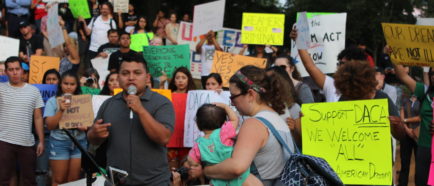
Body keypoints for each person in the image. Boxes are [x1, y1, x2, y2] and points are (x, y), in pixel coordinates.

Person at [87, 54, 175, 185]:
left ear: (147, 78)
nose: (131, 78)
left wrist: (141, 110)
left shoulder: (162, 103)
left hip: (154, 182)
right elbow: (92, 139)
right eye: (125, 73)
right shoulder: (108, 104)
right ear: (118, 78)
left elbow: (163, 138)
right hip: (116, 182)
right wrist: (94, 134)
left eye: (137, 73)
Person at [204, 66, 295, 185]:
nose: (231, 102)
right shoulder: (276, 118)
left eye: (233, 96)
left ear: (251, 94)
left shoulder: (254, 123)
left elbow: (237, 167)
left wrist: (206, 170)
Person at [188, 103, 262, 186]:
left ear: (198, 124)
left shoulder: (198, 144)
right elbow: (235, 119)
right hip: (240, 179)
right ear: (224, 122)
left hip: (217, 181)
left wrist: (196, 165)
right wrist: (225, 107)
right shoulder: (224, 132)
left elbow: (191, 160)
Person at [0, 56, 45, 186]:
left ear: (22, 70)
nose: (14, 72)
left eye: (17, 69)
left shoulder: (34, 91)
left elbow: (37, 117)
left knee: (29, 180)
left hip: (27, 142)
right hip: (4, 141)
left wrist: (41, 141)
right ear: (6, 71)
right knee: (3, 179)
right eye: (11, 69)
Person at [290, 28, 367, 102]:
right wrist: (299, 41)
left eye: (342, 63)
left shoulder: (369, 92)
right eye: (339, 63)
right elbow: (310, 67)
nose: (339, 67)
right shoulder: (332, 86)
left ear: (357, 67)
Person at [44, 70, 86, 186]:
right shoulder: (52, 101)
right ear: (60, 84)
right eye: (66, 83)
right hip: (59, 142)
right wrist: (61, 110)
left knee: (74, 181)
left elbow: (88, 124)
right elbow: (50, 125)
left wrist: (84, 127)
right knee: (58, 180)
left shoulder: (83, 101)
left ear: (77, 85)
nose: (68, 87)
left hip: (79, 142)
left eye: (72, 84)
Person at [394, 63, 433, 186]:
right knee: (422, 181)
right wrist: (394, 56)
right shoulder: (425, 92)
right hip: (424, 147)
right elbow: (402, 75)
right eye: (432, 73)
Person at [79, 2, 117, 67]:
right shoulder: (94, 19)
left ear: (109, 10)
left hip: (105, 50)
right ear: (100, 9)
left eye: (107, 9)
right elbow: (88, 32)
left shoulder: (112, 22)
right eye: (103, 9)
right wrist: (84, 22)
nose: (104, 10)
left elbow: (114, 37)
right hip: (93, 49)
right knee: (92, 70)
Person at [399, 94, 420, 186]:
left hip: (419, 135)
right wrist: (407, 129)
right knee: (404, 163)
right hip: (405, 134)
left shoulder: (422, 100)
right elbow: (401, 116)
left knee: (420, 164)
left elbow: (421, 117)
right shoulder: (404, 99)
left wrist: (406, 121)